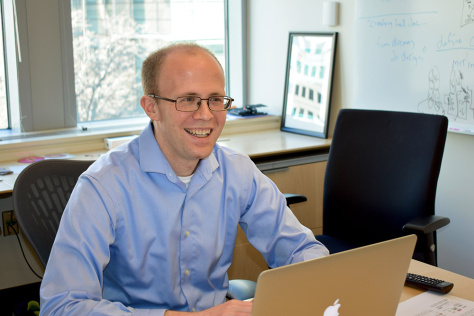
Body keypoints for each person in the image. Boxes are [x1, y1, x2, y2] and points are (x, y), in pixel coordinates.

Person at [40, 43, 329, 315]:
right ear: (151, 107)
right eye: (188, 100)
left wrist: (318, 282)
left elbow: (302, 249)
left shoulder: (237, 171)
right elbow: (62, 306)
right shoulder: (104, 186)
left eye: (215, 100)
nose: (206, 115)